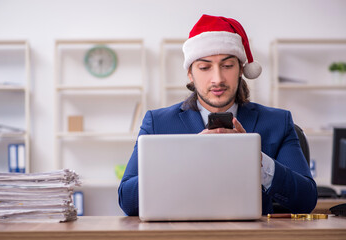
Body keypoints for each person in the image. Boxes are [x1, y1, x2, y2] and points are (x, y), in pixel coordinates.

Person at [118, 14, 317, 216]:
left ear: (240, 69)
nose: (217, 79)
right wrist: (185, 159)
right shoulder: (157, 123)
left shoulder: (277, 122)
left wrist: (256, 161)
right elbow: (127, 200)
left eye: (227, 66)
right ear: (190, 74)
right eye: (204, 67)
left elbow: (306, 200)